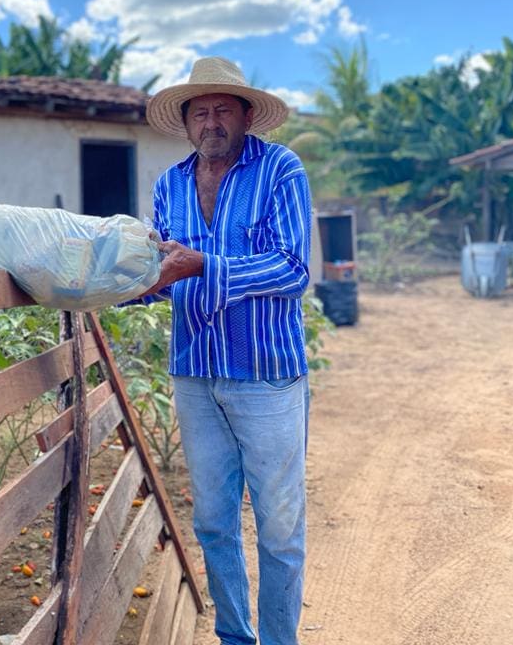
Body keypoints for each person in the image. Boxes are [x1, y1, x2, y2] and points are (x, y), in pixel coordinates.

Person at [139, 56, 312, 645]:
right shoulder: (169, 184)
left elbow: (292, 269)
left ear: (246, 117)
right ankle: (236, 637)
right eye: (200, 113)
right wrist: (128, 284)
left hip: (266, 375)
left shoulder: (280, 169)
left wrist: (203, 265)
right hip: (195, 374)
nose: (210, 123)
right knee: (213, 523)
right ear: (186, 122)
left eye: (222, 110)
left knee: (279, 530)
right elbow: (165, 274)